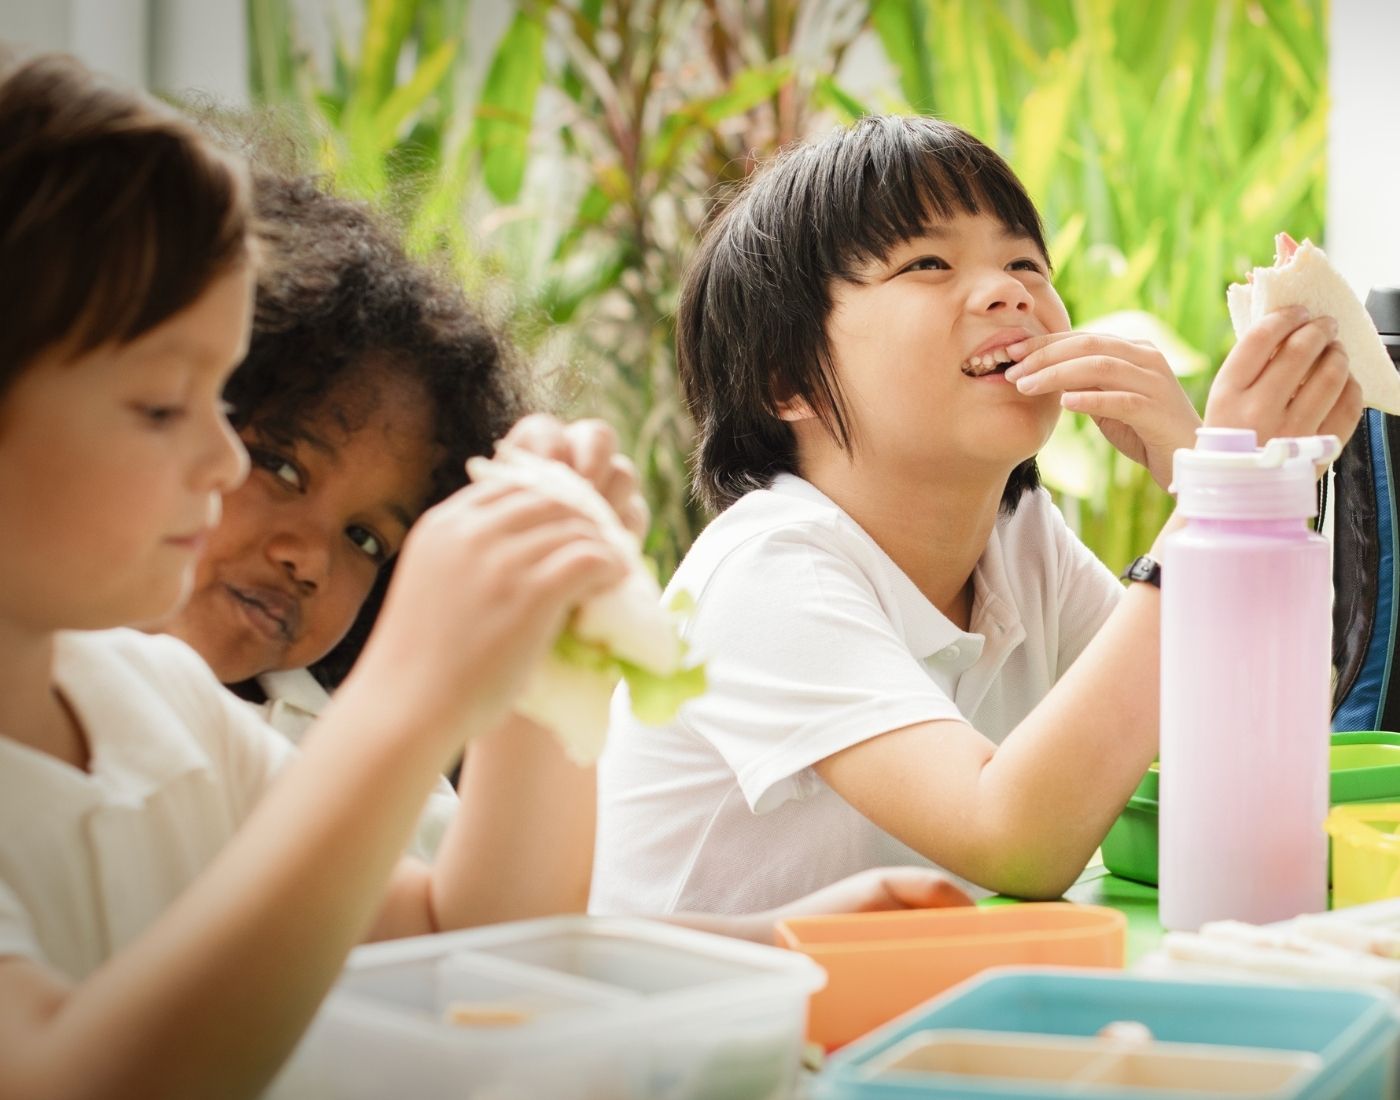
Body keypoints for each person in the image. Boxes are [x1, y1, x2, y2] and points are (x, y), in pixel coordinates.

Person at [590, 114, 1362, 916]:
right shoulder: (764, 572)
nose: (1010, 290)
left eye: (1025, 261)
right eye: (928, 262)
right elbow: (1012, 838)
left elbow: (1238, 759)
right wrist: (1215, 505)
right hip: (699, 1034)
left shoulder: (1022, 543)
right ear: (786, 379)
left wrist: (1230, 489)